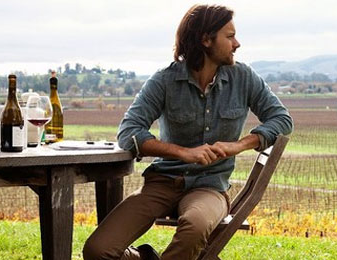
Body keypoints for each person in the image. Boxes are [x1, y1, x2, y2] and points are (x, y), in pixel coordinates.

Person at [83, 4, 293, 260]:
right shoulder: (164, 81)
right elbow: (129, 131)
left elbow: (281, 118)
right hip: (161, 183)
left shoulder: (244, 78)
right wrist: (184, 153)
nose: (237, 43)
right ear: (206, 39)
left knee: (195, 227)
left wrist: (239, 145)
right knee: (97, 250)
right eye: (229, 36)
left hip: (210, 187)